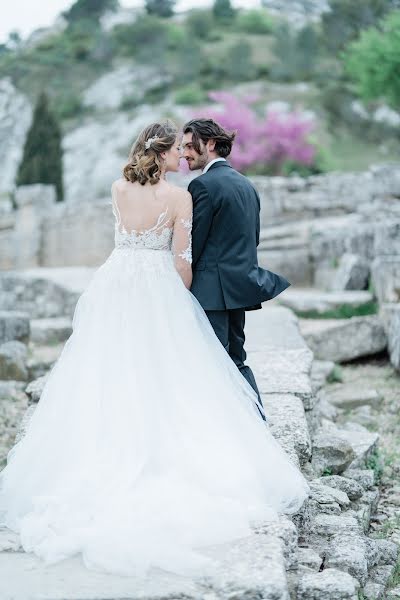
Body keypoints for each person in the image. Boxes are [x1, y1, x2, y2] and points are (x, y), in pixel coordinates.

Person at [0, 121, 309, 578]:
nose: (182, 157)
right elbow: (182, 263)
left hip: (114, 284)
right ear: (162, 154)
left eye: (188, 149)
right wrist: (178, 299)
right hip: (160, 286)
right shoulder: (182, 196)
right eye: (177, 151)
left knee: (111, 368)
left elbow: (123, 239)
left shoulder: (117, 188)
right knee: (176, 371)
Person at [182, 119, 290, 420]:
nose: (185, 153)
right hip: (239, 287)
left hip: (209, 292)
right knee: (236, 359)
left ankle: (221, 428)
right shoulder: (247, 185)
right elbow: (252, 239)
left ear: (212, 144)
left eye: (191, 146)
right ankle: (255, 421)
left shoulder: (202, 185)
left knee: (211, 360)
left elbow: (194, 244)